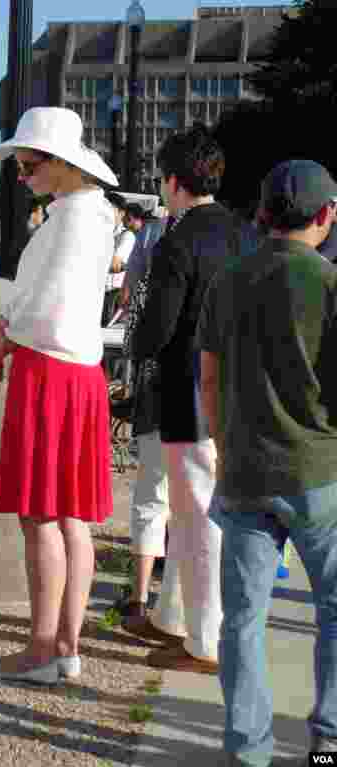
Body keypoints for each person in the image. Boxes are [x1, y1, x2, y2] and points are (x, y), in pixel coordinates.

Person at [197, 160, 337, 767]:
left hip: (245, 470)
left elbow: (208, 379)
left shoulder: (228, 279)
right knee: (333, 607)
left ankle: (247, 752)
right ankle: (328, 740)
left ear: (263, 214)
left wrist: (225, 448)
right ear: (327, 216)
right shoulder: (327, 282)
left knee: (244, 618)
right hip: (317, 471)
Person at [0, 106, 118, 684]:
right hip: (79, 371)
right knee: (71, 517)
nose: (21, 173)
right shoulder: (94, 215)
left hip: (49, 371)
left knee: (40, 516)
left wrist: (1, 344)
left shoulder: (68, 222)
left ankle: (40, 648)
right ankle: (66, 645)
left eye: (28, 163)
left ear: (60, 162)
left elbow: (36, 308)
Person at [125, 124, 246, 675]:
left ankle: (205, 641)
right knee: (195, 512)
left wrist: (135, 345)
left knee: (195, 518)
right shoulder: (244, 232)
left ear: (173, 182)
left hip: (187, 393)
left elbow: (156, 332)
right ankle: (176, 619)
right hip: (236, 392)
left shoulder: (178, 240)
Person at [115, 207, 174, 623]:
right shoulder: (227, 238)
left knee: (151, 496)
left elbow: (135, 344)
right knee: (194, 505)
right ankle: (177, 608)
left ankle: (138, 597)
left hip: (156, 394)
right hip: (201, 400)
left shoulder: (150, 239)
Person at [103, 192, 137, 327]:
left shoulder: (126, 236)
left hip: (111, 296)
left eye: (110, 209)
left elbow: (114, 265)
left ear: (122, 213)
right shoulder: (101, 233)